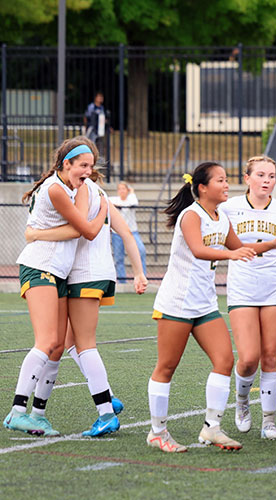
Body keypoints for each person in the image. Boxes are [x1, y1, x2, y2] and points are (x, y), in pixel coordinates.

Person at [25, 167, 148, 437]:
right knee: (65, 343)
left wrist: (35, 234)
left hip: (83, 274)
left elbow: (80, 229)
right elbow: (127, 234)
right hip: (98, 273)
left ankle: (105, 411)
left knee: (83, 345)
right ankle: (103, 399)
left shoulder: (82, 190)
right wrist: (139, 272)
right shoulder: (100, 193)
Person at [148, 162, 257, 452]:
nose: (226, 185)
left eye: (226, 180)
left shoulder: (220, 217)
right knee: (167, 367)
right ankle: (157, 432)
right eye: (220, 180)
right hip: (177, 303)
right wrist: (232, 254)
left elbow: (241, 246)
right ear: (202, 187)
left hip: (204, 303)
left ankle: (212, 428)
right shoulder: (191, 215)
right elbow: (198, 250)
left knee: (224, 360)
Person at [5, 137, 107, 436]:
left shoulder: (66, 186)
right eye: (83, 166)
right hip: (40, 267)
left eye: (91, 166)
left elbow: (65, 231)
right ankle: (16, 411)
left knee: (58, 346)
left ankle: (38, 415)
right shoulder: (56, 188)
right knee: (48, 341)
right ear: (67, 164)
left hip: (57, 271)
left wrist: (36, 233)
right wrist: (104, 209)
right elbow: (87, 231)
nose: (88, 171)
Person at [220, 156, 276, 441]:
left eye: (272, 175)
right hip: (242, 289)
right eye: (261, 175)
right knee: (249, 358)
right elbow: (233, 247)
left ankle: (268, 421)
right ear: (247, 178)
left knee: (270, 356)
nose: (267, 180)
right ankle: (241, 401)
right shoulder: (228, 208)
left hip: (275, 290)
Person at [110, 181, 147, 281]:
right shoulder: (113, 199)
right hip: (117, 233)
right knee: (119, 258)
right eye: (120, 189)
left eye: (124, 189)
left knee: (141, 251)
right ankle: (122, 281)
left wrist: (132, 192)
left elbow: (134, 203)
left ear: (127, 190)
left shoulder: (131, 199)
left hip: (132, 232)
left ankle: (142, 277)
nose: (122, 191)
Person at [83, 92, 110, 166]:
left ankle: (98, 160)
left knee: (100, 144)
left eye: (102, 97)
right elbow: (87, 116)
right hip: (93, 129)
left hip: (100, 129)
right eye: (99, 97)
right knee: (92, 144)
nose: (101, 99)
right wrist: (87, 127)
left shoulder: (102, 108)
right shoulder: (92, 107)